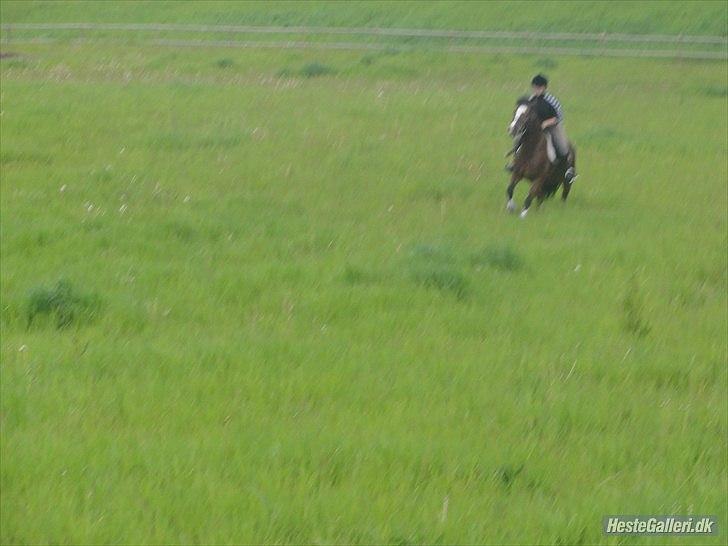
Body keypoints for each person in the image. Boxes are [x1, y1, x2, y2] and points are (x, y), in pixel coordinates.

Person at [529, 74, 576, 183]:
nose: (536, 90)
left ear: (544, 88)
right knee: (521, 139)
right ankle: (517, 164)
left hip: (552, 126)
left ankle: (568, 170)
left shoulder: (551, 100)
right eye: (534, 87)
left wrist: (546, 123)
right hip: (536, 128)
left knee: (562, 147)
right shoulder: (531, 99)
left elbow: (558, 116)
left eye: (538, 88)